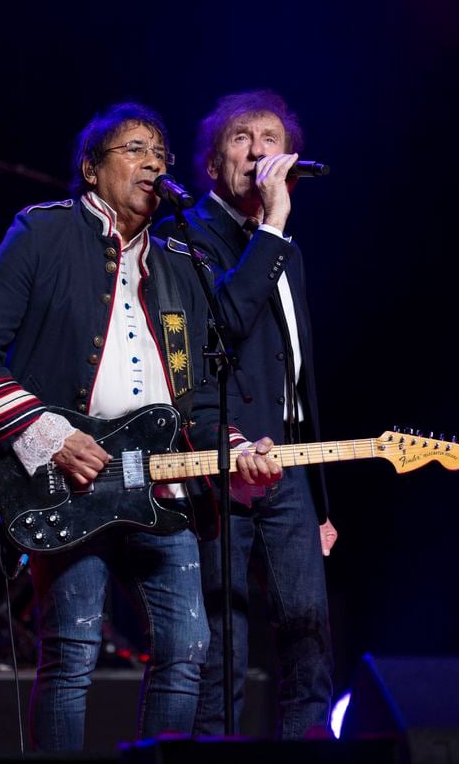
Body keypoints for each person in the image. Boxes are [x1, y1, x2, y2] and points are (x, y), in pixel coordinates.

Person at [0, 101, 282, 752]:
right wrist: (50, 435)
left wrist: (235, 449)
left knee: (188, 647)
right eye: (133, 148)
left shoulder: (181, 263)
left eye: (161, 151)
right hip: (64, 480)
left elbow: (199, 394)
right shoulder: (42, 233)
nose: (153, 161)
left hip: (158, 487)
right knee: (70, 654)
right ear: (90, 169)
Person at [154, 89, 338, 739]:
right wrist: (272, 226)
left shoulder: (286, 248)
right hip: (218, 458)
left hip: (287, 466)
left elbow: (299, 379)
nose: (259, 151)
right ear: (212, 162)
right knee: (221, 647)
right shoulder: (183, 241)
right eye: (241, 138)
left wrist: (320, 504)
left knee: (310, 639)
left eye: (271, 139)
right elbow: (224, 322)